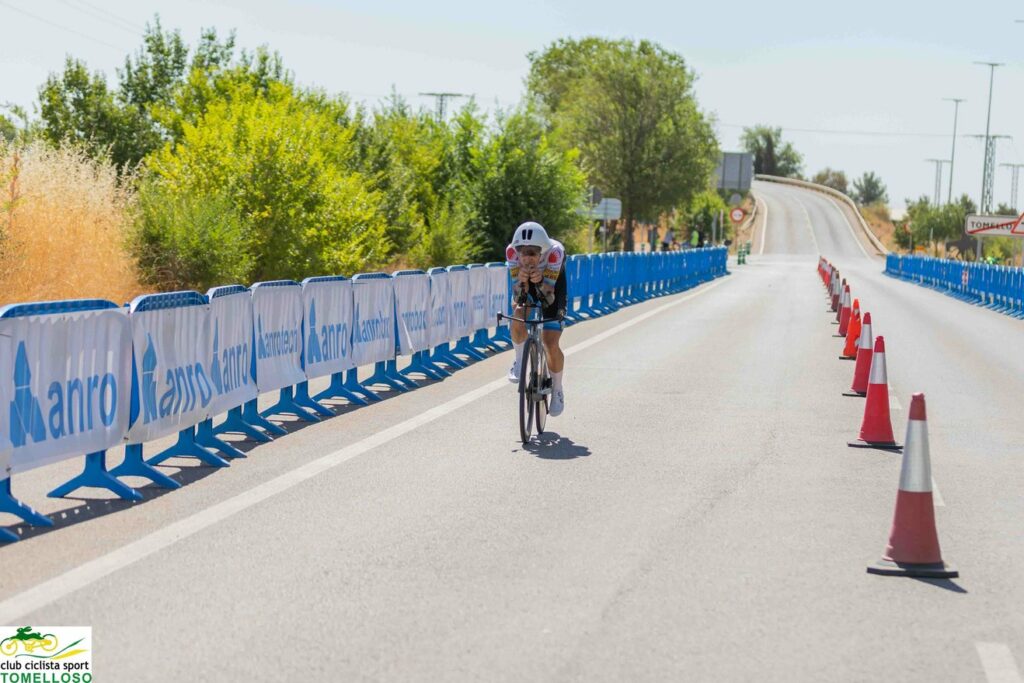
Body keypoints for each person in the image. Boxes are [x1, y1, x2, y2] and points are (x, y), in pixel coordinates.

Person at [505, 221, 567, 417]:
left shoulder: (554, 253)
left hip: (552, 284)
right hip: (529, 284)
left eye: (532, 253)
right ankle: (519, 360)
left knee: (550, 342)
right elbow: (517, 296)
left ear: (542, 251)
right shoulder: (511, 253)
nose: (526, 258)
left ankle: (557, 389)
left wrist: (540, 281)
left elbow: (548, 298)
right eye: (522, 252)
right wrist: (522, 283)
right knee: (517, 314)